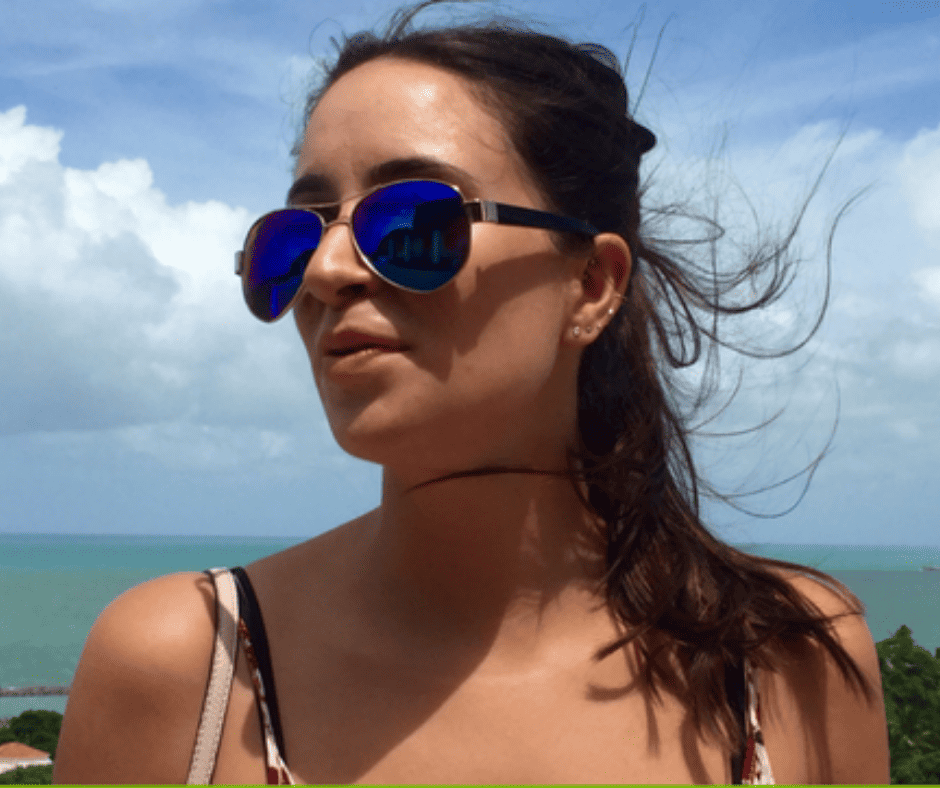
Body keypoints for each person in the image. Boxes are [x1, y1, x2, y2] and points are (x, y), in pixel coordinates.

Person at [53, 0, 891, 783]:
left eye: (414, 224)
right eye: (295, 236)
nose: (328, 271)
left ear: (593, 284)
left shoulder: (786, 654)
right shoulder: (187, 663)